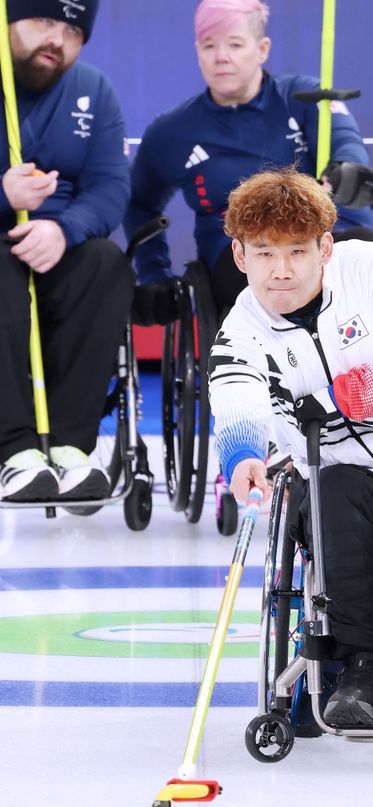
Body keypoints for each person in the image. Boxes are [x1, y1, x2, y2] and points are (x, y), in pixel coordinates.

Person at [208, 168, 373, 727]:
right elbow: (236, 395)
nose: (281, 270)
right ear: (240, 256)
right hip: (335, 465)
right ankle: (359, 668)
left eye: (297, 251)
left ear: (325, 248)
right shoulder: (241, 330)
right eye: (264, 253)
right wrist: (242, 456)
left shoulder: (370, 269)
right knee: (331, 504)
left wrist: (334, 400)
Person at [124, 0, 373, 330]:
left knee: (365, 257)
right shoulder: (172, 131)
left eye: (235, 44)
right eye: (209, 45)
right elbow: (139, 203)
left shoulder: (305, 98)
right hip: (242, 258)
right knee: (261, 270)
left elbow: (345, 140)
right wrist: (155, 274)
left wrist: (347, 169)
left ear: (262, 49)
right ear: (198, 51)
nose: (221, 56)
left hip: (330, 239)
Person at [0, 0, 133, 502]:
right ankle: (13, 451)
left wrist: (63, 230)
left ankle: (70, 447)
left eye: (73, 30)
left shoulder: (93, 90)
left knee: (106, 264)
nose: (57, 39)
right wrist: (4, 194)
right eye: (44, 21)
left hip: (58, 242)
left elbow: (110, 186)